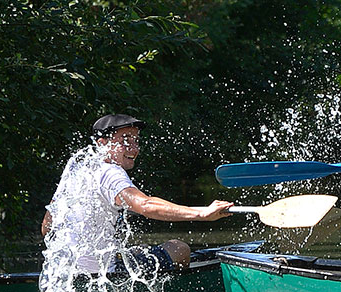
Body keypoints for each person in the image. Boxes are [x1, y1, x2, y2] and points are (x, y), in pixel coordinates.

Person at [41, 114, 233, 274]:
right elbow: (146, 205)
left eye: (136, 141)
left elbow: (47, 228)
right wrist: (201, 214)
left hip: (62, 274)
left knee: (124, 252)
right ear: (102, 144)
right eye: (125, 141)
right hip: (103, 274)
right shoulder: (110, 172)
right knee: (178, 248)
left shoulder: (76, 168)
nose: (134, 148)